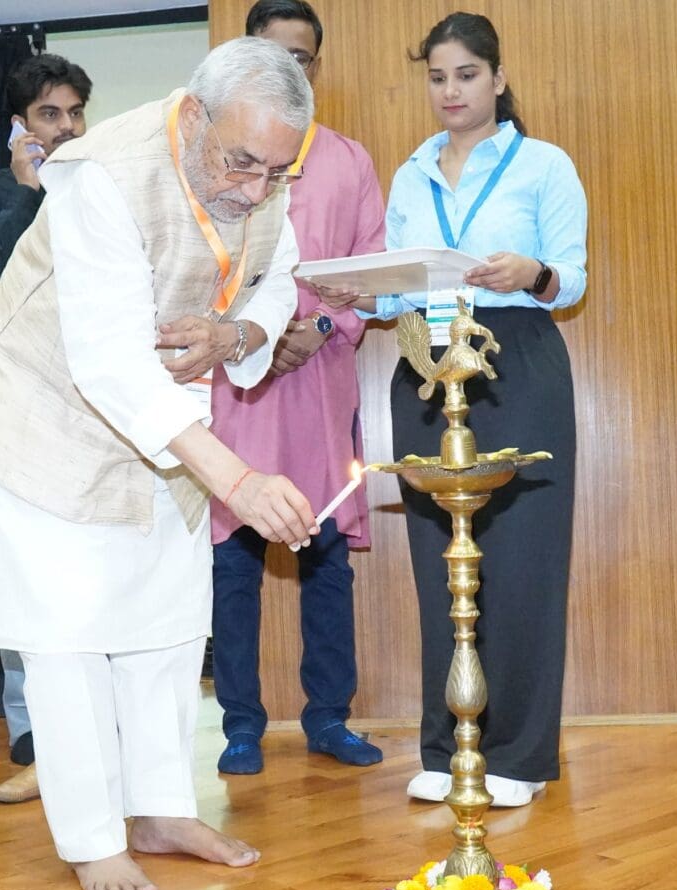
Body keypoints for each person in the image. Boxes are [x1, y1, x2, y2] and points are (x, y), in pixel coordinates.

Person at [0, 36, 318, 890]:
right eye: (242, 164)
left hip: (161, 433)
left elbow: (279, 277)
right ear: (192, 116)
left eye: (274, 172)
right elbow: (108, 364)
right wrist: (240, 481)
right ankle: (90, 837)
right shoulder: (98, 175)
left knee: (167, 623)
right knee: (67, 638)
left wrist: (236, 336)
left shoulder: (258, 169)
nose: (256, 190)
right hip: (40, 427)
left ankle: (157, 808)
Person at [317, 12, 587, 807]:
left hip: (517, 360)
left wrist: (530, 271)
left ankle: (520, 757)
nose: (450, 92)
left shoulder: (542, 164)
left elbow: (570, 278)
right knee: (441, 557)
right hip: (424, 361)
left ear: (496, 78)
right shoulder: (410, 173)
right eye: (437, 77)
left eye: (465, 75)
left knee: (525, 561)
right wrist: (359, 292)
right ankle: (446, 746)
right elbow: (404, 283)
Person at [208, 0, 386, 775]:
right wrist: (251, 338)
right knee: (234, 560)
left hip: (317, 383)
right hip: (236, 388)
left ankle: (327, 718)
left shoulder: (348, 160)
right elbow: (193, 266)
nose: (291, 68)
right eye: (274, 53)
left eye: (303, 57)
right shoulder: (216, 158)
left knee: (323, 560)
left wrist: (314, 331)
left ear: (317, 66)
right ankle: (240, 726)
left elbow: (372, 274)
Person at [0, 53, 93, 804]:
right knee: (22, 571)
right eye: (48, 114)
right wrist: (28, 195)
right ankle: (32, 735)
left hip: (89, 409)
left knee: (84, 572)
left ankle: (96, 735)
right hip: (12, 411)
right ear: (17, 124)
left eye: (74, 113)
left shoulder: (101, 192)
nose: (66, 128)